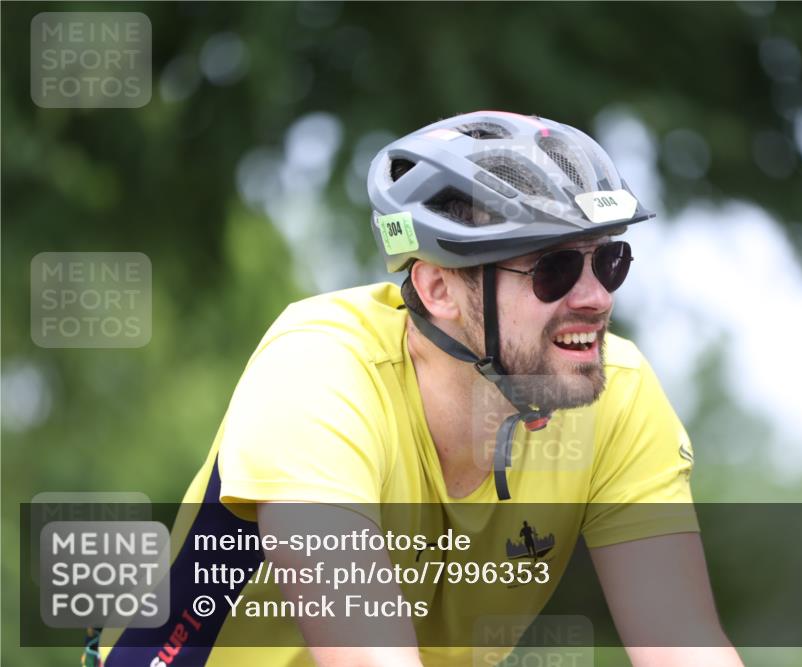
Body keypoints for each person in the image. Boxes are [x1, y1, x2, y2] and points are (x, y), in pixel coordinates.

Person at [100, 111, 742, 666]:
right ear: (438, 289)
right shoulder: (319, 371)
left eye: (609, 260)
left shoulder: (617, 394)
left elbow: (682, 641)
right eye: (554, 269)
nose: (597, 296)